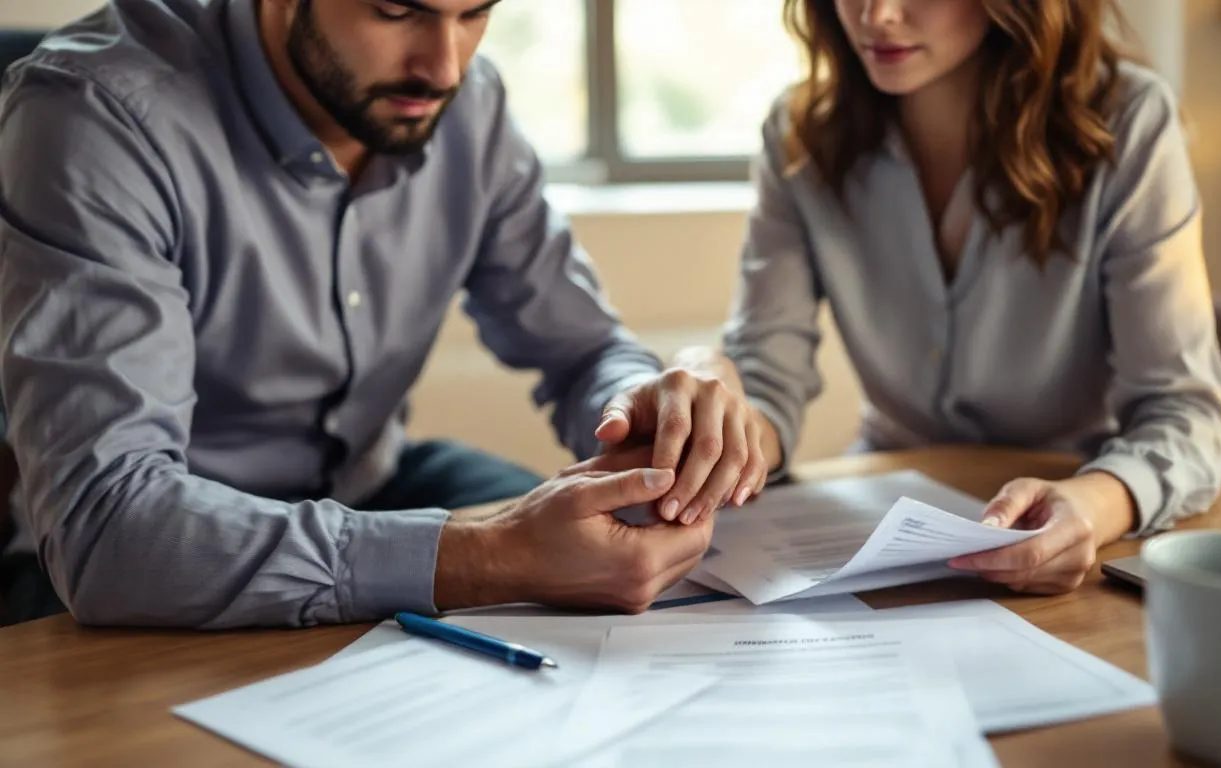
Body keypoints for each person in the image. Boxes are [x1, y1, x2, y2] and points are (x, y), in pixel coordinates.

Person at [0, 0, 768, 628]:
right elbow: (109, 528)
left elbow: (582, 350)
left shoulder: (471, 105)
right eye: (397, 11)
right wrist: (491, 555)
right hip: (129, 556)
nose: (444, 67)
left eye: (475, 13)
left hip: (375, 486)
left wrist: (648, 412)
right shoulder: (96, 115)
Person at [699, 0, 1221, 594]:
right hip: (873, 530)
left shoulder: (1128, 121)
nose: (877, 15)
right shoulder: (800, 135)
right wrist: (713, 426)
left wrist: (1092, 504)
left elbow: (1188, 415)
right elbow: (766, 385)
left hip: (1074, 533)